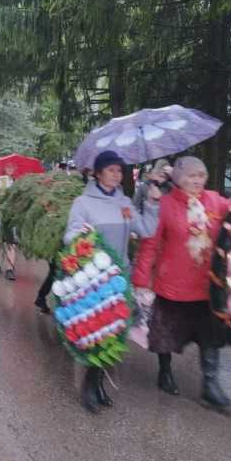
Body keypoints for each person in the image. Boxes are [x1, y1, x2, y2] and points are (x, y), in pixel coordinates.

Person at [133, 156, 231, 409]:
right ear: (178, 178)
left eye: (201, 175)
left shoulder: (215, 201)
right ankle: (165, 371)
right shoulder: (165, 204)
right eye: (191, 175)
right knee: (166, 333)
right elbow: (150, 245)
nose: (197, 180)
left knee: (209, 334)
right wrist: (141, 279)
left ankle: (210, 385)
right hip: (172, 284)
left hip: (207, 285)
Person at [64, 150, 160, 413]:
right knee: (96, 332)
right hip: (94, 280)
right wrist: (80, 233)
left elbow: (146, 230)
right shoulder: (83, 203)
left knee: (113, 334)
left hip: (120, 278)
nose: (117, 175)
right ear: (98, 173)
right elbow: (69, 236)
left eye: (120, 170)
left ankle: (98, 383)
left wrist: (152, 202)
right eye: (111, 170)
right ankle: (89, 386)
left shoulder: (124, 202)